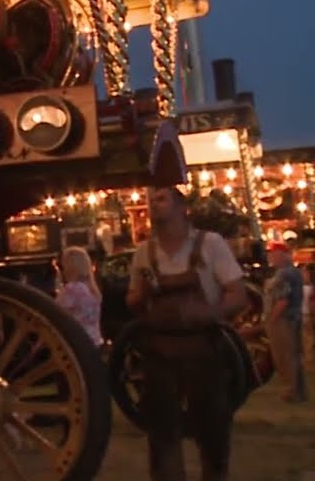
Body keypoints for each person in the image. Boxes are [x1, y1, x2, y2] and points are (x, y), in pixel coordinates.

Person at [126, 186, 248, 481]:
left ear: (183, 209)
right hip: (159, 355)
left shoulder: (210, 244)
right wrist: (138, 296)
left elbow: (238, 294)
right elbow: (132, 299)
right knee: (162, 440)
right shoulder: (144, 252)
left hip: (204, 350)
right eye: (150, 200)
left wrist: (207, 313)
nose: (153, 205)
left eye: (161, 199)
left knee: (213, 438)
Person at [263, 240, 306, 402]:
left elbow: (283, 300)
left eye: (274, 254)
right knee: (293, 355)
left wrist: (272, 319)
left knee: (284, 356)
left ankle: (290, 391)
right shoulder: (292, 272)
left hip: (283, 320)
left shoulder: (284, 274)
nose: (271, 257)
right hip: (290, 318)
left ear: (282, 255)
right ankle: (298, 390)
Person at [56, 245, 103, 346]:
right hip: (94, 342)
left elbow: (55, 313)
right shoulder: (92, 289)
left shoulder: (72, 289)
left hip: (76, 345)